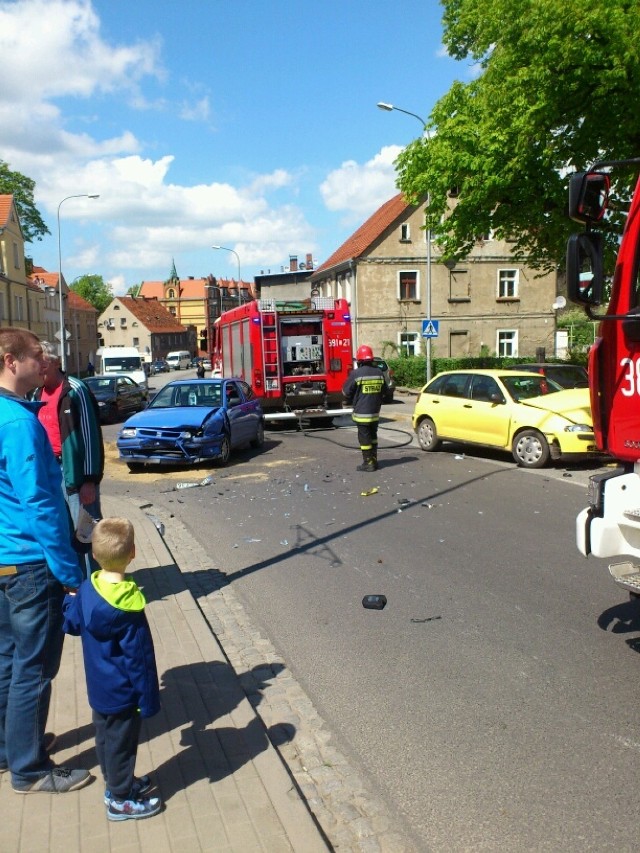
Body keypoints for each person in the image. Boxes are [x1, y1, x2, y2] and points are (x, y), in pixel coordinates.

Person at [0, 327, 91, 794]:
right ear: (11, 361)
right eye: (37, 355)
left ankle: (10, 746)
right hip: (30, 562)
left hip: (4, 558)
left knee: (7, 659)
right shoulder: (17, 423)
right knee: (33, 668)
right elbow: (39, 501)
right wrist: (69, 571)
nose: (45, 360)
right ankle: (30, 768)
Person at [63, 517, 162, 821]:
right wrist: (148, 699)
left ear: (93, 554)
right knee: (122, 743)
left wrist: (65, 603)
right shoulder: (128, 607)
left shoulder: (88, 588)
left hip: (98, 686)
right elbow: (140, 660)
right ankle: (120, 800)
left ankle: (116, 783)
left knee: (106, 739)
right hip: (123, 692)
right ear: (132, 553)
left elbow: (74, 623)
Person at [33, 342, 105, 578]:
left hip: (74, 473)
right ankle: (74, 583)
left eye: (42, 364)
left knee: (84, 531)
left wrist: (90, 480)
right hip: (49, 470)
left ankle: (93, 586)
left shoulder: (75, 389)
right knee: (61, 530)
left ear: (55, 362)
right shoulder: (35, 393)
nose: (38, 370)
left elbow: (91, 436)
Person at [342, 345, 390, 472]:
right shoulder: (379, 373)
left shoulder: (356, 374)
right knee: (373, 436)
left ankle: (368, 463)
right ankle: (374, 460)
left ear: (359, 360)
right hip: (375, 412)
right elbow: (385, 391)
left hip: (362, 414)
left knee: (364, 439)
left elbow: (346, 392)